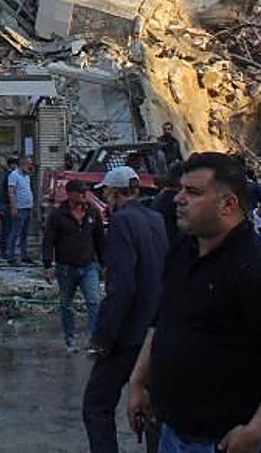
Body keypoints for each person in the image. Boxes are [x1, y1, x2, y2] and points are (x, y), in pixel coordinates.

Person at [127, 152, 261, 453]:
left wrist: (256, 431)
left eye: (193, 192)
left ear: (229, 204)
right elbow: (162, 320)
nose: (178, 199)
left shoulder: (257, 269)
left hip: (228, 442)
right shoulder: (183, 251)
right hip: (174, 435)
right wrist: (138, 382)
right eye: (181, 190)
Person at [83, 166, 168, 453]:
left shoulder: (122, 222)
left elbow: (121, 287)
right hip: (154, 331)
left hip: (127, 334)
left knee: (96, 405)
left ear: (115, 193)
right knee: (152, 407)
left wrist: (103, 338)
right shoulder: (155, 219)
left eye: (107, 192)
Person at [42, 178, 106, 353]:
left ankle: (92, 339)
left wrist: (104, 263)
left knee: (94, 302)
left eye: (85, 192)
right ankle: (70, 339)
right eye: (80, 192)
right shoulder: (57, 215)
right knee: (66, 305)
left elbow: (100, 240)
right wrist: (47, 265)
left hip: (88, 266)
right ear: (70, 194)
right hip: (65, 268)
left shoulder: (92, 213)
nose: (84, 195)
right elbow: (48, 241)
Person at [6, 156, 35, 264]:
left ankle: (24, 255)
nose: (30, 166)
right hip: (19, 208)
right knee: (15, 232)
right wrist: (14, 207)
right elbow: (11, 192)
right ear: (22, 164)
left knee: (25, 233)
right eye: (29, 164)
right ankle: (11, 256)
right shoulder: (14, 175)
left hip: (27, 207)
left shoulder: (26, 176)